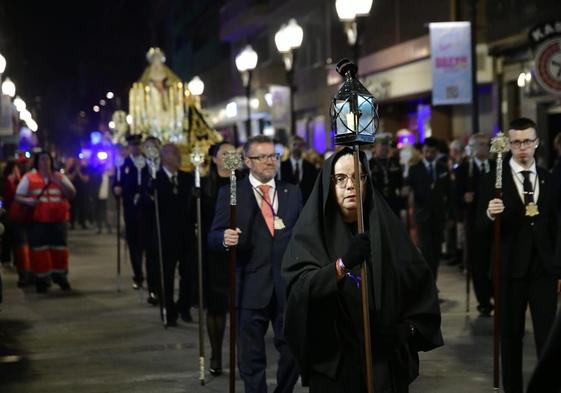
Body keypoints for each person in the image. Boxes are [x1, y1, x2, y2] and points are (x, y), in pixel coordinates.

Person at [282, 148, 443, 393]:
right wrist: (342, 265)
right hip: (335, 362)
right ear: (329, 183)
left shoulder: (387, 228)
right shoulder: (311, 234)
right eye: (341, 178)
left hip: (383, 361)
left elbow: (420, 285)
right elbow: (299, 290)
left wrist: (406, 329)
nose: (350, 185)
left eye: (358, 176)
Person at [208, 135, 302, 393]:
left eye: (273, 156)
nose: (270, 161)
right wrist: (224, 239)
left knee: (293, 352)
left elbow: (305, 237)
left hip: (286, 288)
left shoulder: (292, 192)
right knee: (250, 357)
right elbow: (213, 236)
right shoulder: (232, 192)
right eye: (263, 157)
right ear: (248, 161)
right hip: (249, 286)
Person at [478, 117, 561, 393]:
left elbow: (556, 225)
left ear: (537, 142)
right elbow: (477, 225)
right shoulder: (494, 179)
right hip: (509, 269)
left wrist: (557, 267)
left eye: (527, 141)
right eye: (516, 142)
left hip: (543, 271)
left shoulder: (549, 178)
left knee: (548, 337)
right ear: (508, 144)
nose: (522, 147)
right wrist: (490, 213)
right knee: (511, 339)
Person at [146, 143, 195, 326]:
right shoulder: (156, 179)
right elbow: (148, 207)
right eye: (174, 153)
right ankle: (169, 309)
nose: (178, 156)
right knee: (166, 275)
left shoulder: (187, 178)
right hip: (166, 236)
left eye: (178, 153)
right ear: (164, 157)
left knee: (189, 273)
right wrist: (149, 194)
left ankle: (184, 306)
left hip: (186, 235)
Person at [201, 141, 239, 375]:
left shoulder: (239, 183)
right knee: (216, 306)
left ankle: (241, 353)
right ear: (214, 159)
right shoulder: (205, 185)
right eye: (224, 154)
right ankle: (215, 353)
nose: (228, 157)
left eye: (232, 153)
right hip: (213, 253)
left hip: (238, 251)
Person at [15, 152, 76, 292]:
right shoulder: (29, 177)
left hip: (58, 220)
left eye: (47, 159)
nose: (45, 162)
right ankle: (42, 281)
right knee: (39, 251)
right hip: (38, 221)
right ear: (37, 162)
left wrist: (58, 182)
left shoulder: (59, 177)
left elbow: (72, 193)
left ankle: (61, 278)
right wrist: (29, 201)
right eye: (42, 159)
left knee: (60, 250)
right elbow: (18, 196)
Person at [455, 133, 494, 316]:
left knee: (494, 262)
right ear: (473, 147)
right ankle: (484, 300)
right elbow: (455, 195)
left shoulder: (495, 167)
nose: (484, 148)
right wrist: (464, 199)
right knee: (478, 263)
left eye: (487, 144)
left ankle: (496, 295)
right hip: (474, 222)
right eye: (481, 144)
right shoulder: (464, 169)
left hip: (494, 222)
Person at [406, 137, 451, 280]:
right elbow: (407, 189)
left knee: (436, 250)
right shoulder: (415, 169)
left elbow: (450, 193)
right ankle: (428, 281)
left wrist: (451, 215)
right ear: (422, 151)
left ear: (437, 152)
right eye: (426, 151)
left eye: (432, 152)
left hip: (438, 215)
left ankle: (433, 280)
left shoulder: (443, 168)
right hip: (422, 215)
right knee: (426, 250)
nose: (428, 155)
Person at [113, 134, 149, 289]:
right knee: (133, 243)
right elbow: (116, 183)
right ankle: (138, 275)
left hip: (146, 208)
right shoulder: (123, 164)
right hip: (130, 209)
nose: (135, 148)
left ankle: (151, 274)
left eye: (137, 145)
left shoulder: (148, 163)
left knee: (146, 243)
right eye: (132, 145)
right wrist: (116, 189)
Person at [369, 133, 404, 216]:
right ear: (375, 147)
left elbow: (401, 184)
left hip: (393, 201)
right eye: (382, 145)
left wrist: (402, 206)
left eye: (386, 145)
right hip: (377, 202)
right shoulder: (370, 164)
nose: (384, 148)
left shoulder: (394, 162)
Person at [280, 135, 319, 203]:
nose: (297, 147)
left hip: (306, 204)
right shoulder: (281, 167)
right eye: (294, 144)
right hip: (287, 204)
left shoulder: (311, 167)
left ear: (303, 147)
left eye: (300, 145)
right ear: (289, 146)